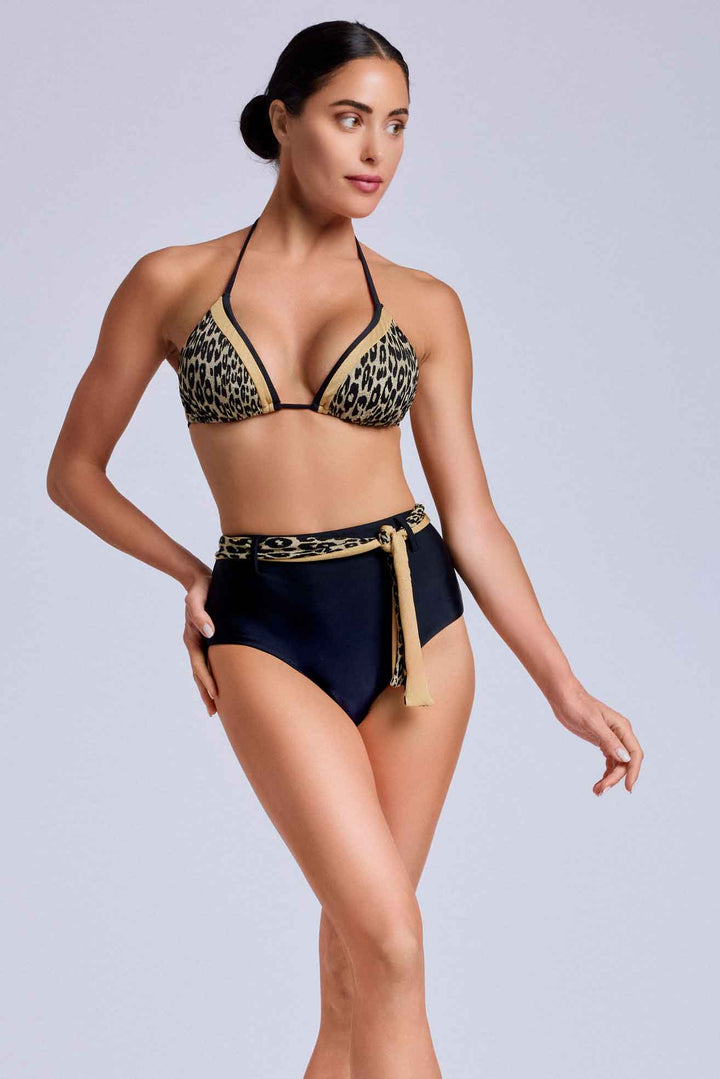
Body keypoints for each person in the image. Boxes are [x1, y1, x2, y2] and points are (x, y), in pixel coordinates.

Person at [46, 19, 644, 1079]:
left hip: (415, 624)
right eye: (350, 118)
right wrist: (190, 571)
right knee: (393, 944)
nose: (377, 151)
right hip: (264, 625)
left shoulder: (425, 305)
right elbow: (74, 471)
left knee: (357, 972)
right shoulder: (170, 282)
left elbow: (473, 517)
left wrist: (563, 683)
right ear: (284, 121)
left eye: (398, 126)